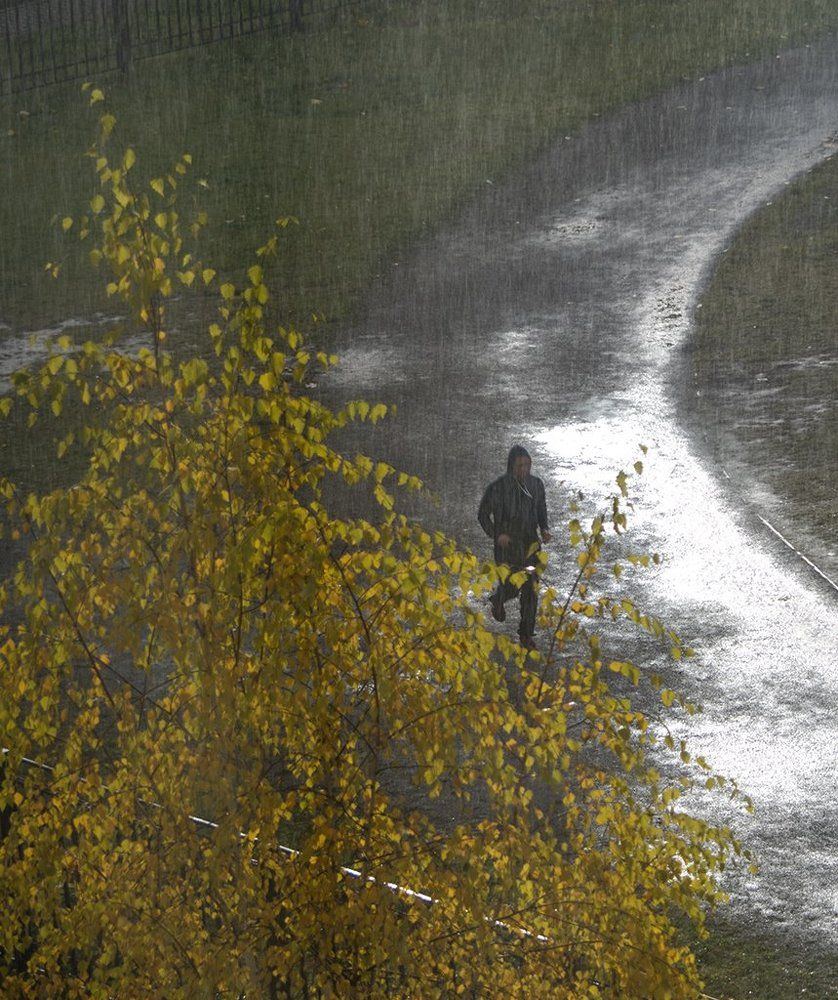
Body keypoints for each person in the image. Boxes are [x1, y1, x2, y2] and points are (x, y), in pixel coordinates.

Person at [478, 445, 551, 650]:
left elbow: (541, 510)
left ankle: (526, 634)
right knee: (512, 585)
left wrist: (544, 528)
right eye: (520, 466)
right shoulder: (498, 488)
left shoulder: (536, 485)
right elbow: (482, 515)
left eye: (527, 465)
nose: (524, 470)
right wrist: (496, 534)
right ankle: (499, 599)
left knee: (531, 589)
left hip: (530, 546)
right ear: (511, 467)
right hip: (507, 548)